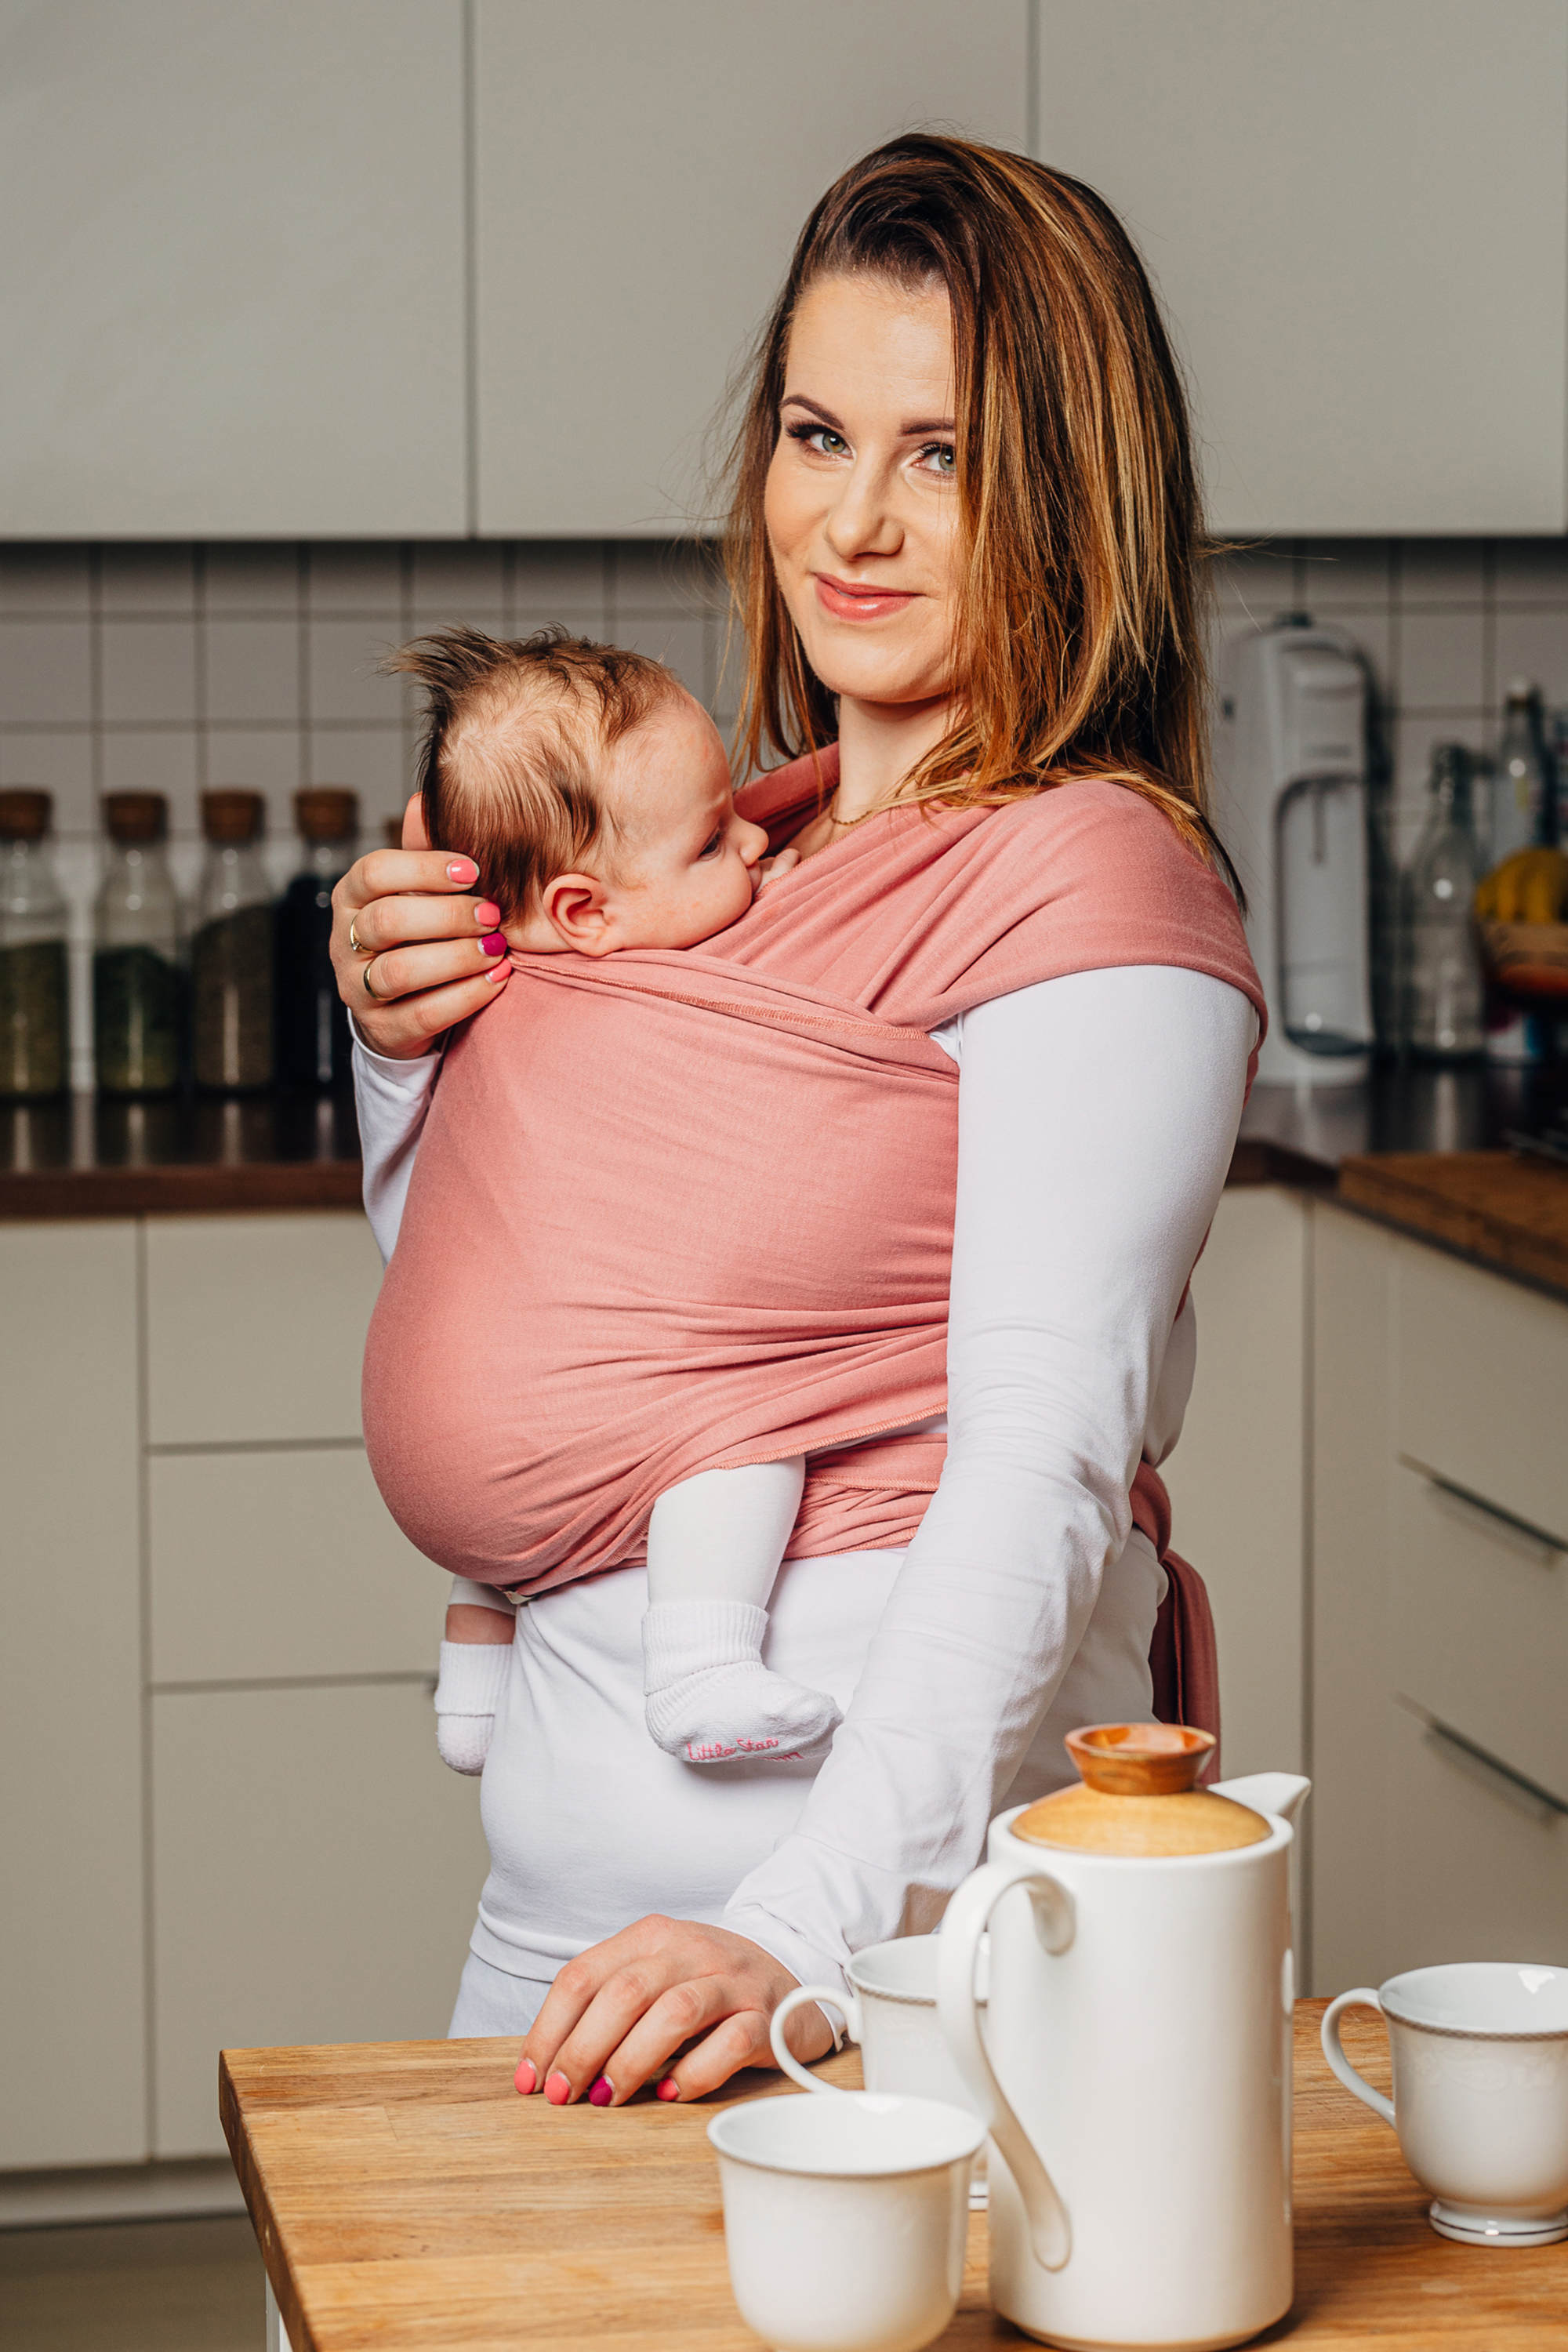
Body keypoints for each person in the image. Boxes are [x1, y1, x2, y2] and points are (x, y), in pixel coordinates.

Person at [334, 134, 1262, 2111]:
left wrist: (806, 1932)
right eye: (817, 434)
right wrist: (402, 1037)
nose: (852, 520)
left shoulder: (1092, 884)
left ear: (1066, 500)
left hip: (881, 1976)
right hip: (558, 1944)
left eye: (941, 455)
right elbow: (551, 1324)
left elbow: (1041, 1458)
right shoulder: (726, 848)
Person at [373, 621, 842, 1768]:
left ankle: (475, 1688)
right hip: (571, 1421)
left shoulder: (482, 997)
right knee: (741, 1420)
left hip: (433, 1422)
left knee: (527, 1388)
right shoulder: (660, 984)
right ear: (586, 915)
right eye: (712, 840)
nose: (755, 839)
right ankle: (698, 1665)